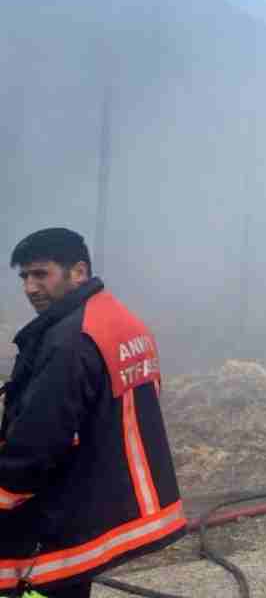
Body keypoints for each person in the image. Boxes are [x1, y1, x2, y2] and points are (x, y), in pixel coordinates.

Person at [1, 228, 186, 598]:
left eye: (42, 274)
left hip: (61, 507)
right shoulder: (118, 320)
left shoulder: (68, 343)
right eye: (24, 277)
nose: (30, 288)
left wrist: (6, 490)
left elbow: (39, 441)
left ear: (79, 271)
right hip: (103, 497)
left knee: (38, 586)